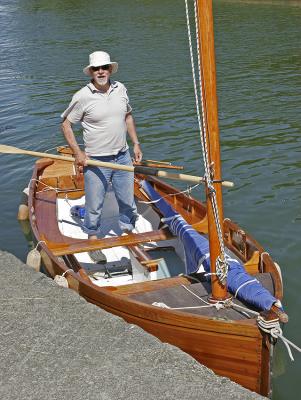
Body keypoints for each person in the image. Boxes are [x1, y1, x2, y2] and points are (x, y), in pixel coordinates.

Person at [61, 51, 142, 243]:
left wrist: (136, 144)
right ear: (91, 72)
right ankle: (93, 237)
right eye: (96, 68)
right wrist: (78, 153)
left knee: (127, 201)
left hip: (122, 156)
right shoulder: (82, 96)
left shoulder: (120, 89)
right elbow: (66, 124)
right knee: (94, 205)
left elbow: (128, 116)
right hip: (96, 160)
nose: (100, 71)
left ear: (110, 70)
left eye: (104, 67)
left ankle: (128, 231)